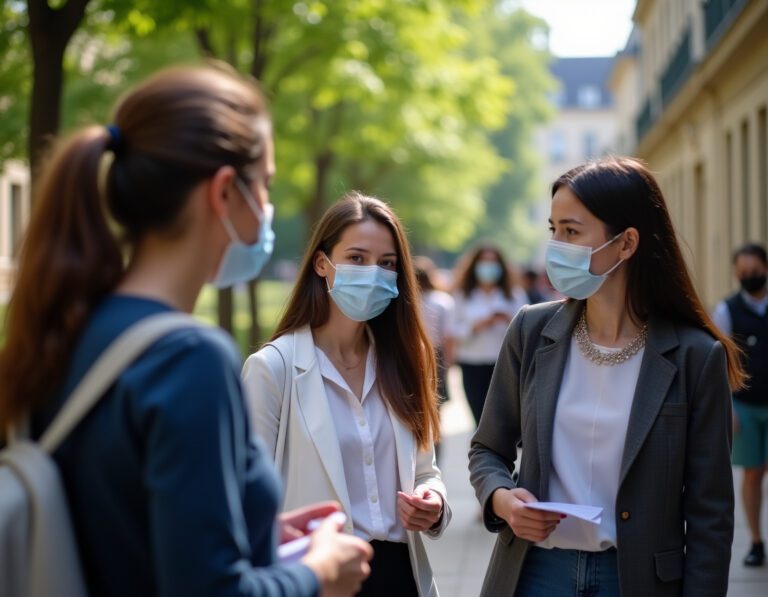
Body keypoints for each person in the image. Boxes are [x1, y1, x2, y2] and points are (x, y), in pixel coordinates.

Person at [0, 66, 372, 597]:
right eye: (263, 184)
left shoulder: (63, 329)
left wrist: (256, 541)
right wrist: (318, 571)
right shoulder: (189, 357)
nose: (267, 208)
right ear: (223, 192)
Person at [468, 156, 742, 597]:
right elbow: (487, 449)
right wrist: (502, 499)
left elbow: (711, 513)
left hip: (636, 580)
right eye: (552, 230)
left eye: (572, 232)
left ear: (626, 243)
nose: (556, 246)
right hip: (535, 572)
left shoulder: (695, 356)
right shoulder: (531, 330)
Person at [242, 193, 451, 597]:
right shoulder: (273, 368)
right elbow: (246, 501)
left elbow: (427, 471)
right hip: (318, 578)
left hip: (401, 577)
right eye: (356, 258)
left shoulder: (409, 359)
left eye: (387, 264)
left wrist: (434, 502)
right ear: (323, 264)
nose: (373, 273)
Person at [712, 243, 768, 567]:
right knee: (752, 473)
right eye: (743, 272)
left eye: (755, 271)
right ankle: (757, 541)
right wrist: (727, 406)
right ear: (736, 273)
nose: (749, 277)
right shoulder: (726, 310)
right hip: (744, 404)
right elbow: (719, 362)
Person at [448, 244, 528, 425]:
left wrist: (508, 321)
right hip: (471, 364)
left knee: (502, 420)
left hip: (503, 364)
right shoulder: (463, 295)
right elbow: (453, 330)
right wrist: (475, 326)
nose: (488, 267)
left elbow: (526, 330)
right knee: (480, 418)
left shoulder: (514, 295)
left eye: (493, 262)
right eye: (484, 261)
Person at [414, 256, 454, 404]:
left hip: (411, 351)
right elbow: (448, 335)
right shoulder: (442, 300)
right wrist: (449, 361)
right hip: (436, 354)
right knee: (436, 401)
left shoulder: (405, 301)